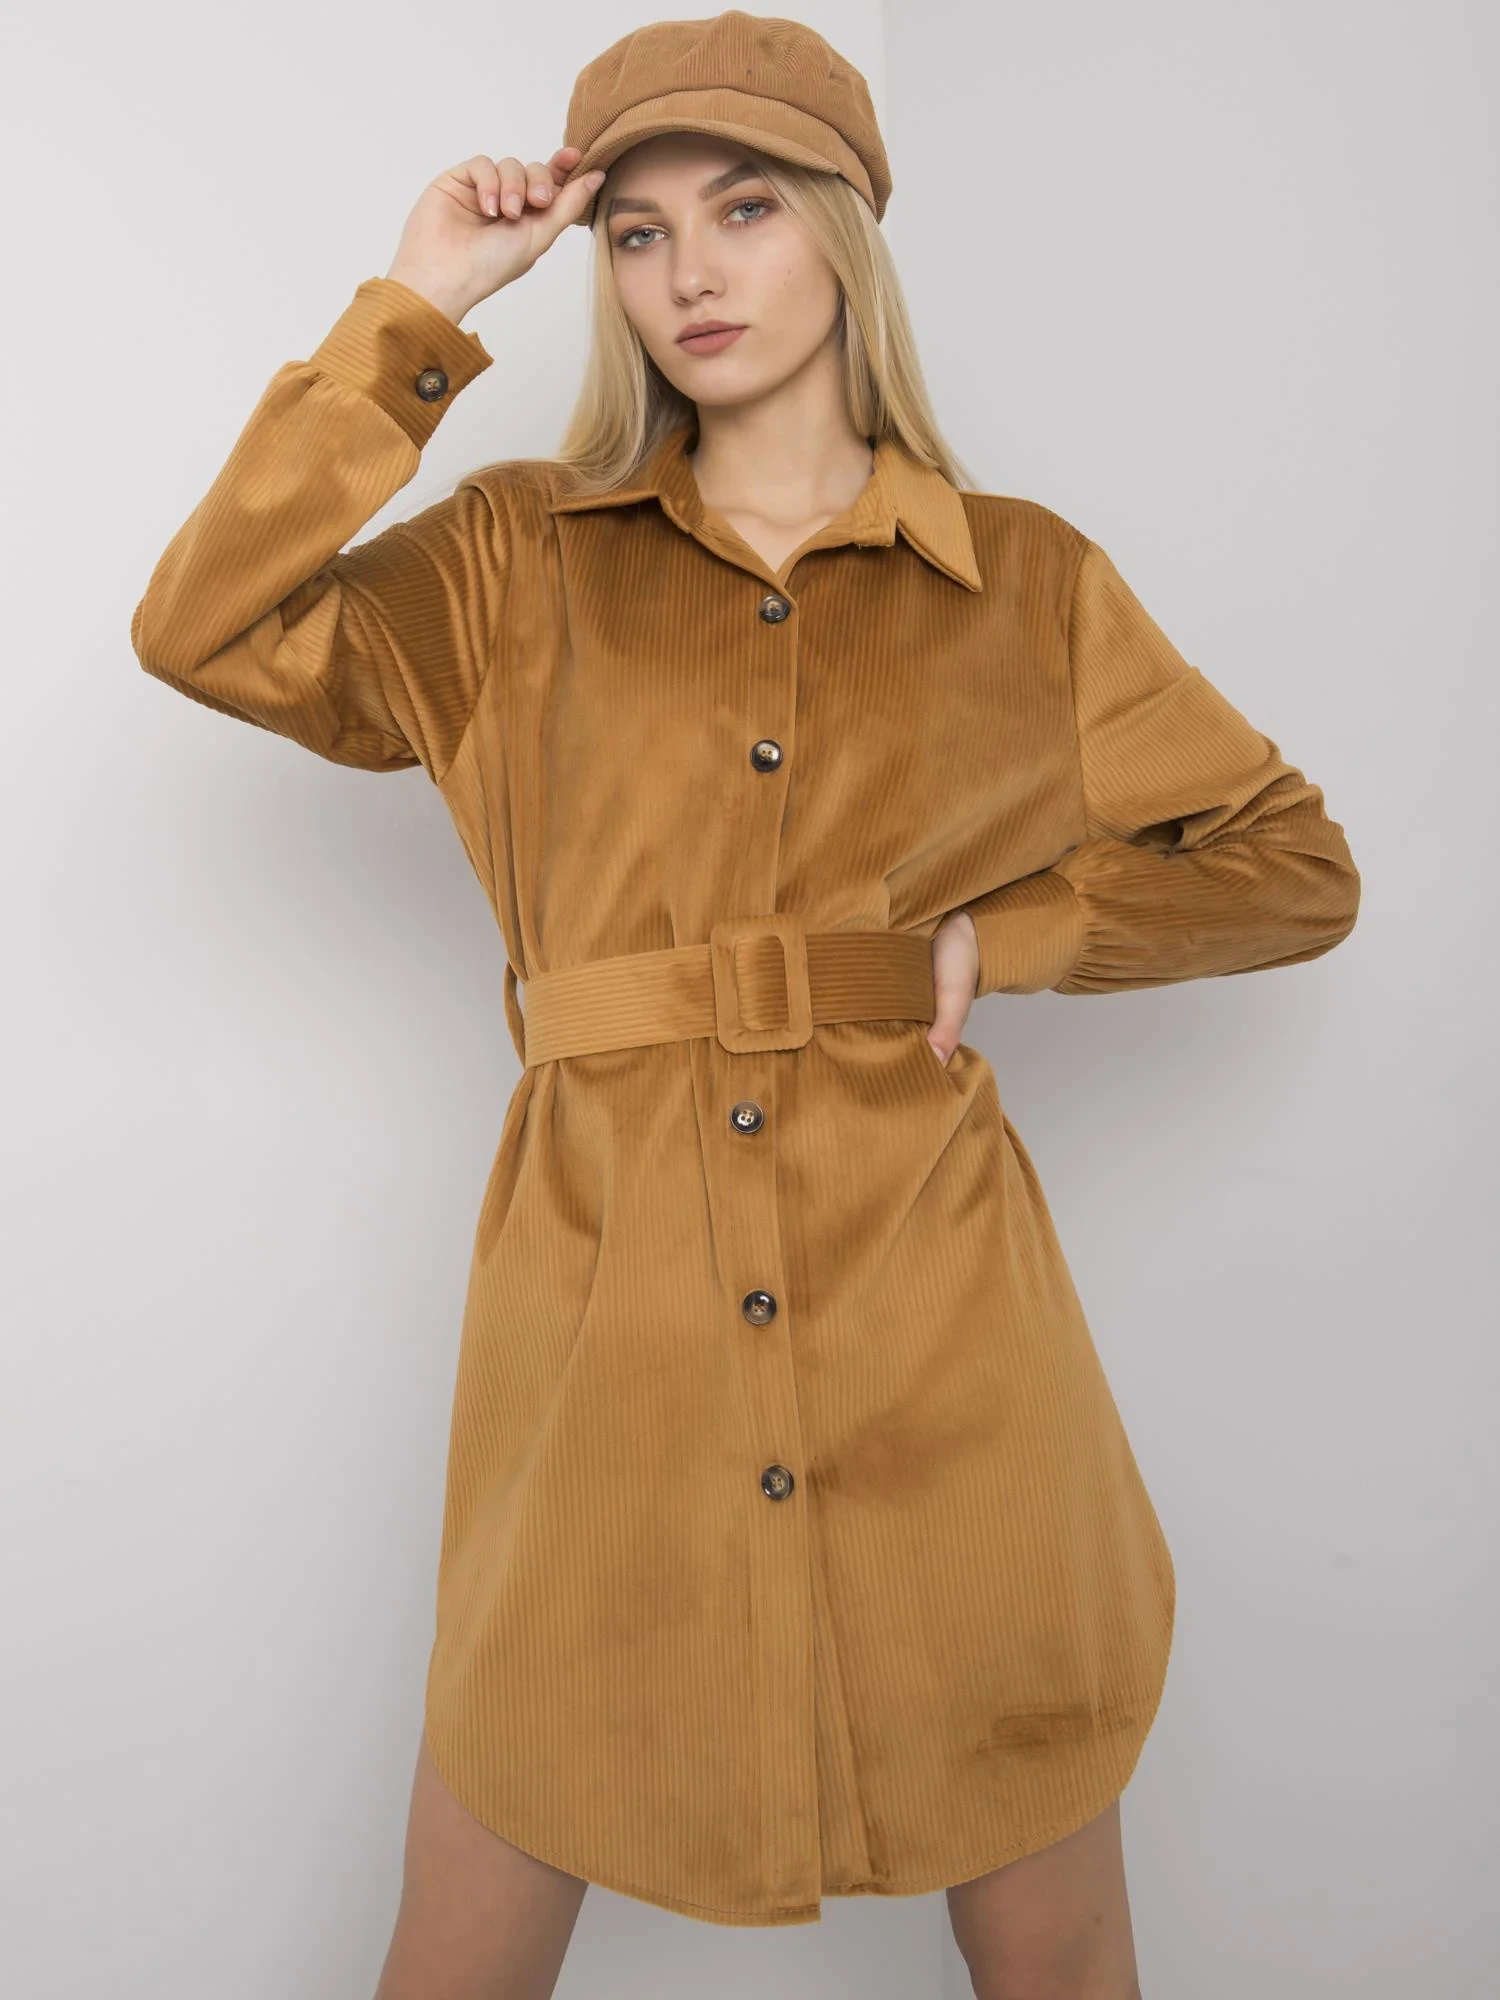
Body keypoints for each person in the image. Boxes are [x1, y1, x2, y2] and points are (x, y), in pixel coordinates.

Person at [129, 12, 1361, 1999]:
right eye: (636, 232)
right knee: (461, 1939)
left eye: (747, 208)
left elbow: (1291, 863)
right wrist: (419, 306)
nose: (688, 272)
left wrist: (1013, 934)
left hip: (948, 1357)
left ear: (847, 234)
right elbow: (207, 629)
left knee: (1059, 1958)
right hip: (601, 1352)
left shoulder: (1030, 586)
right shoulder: (515, 560)